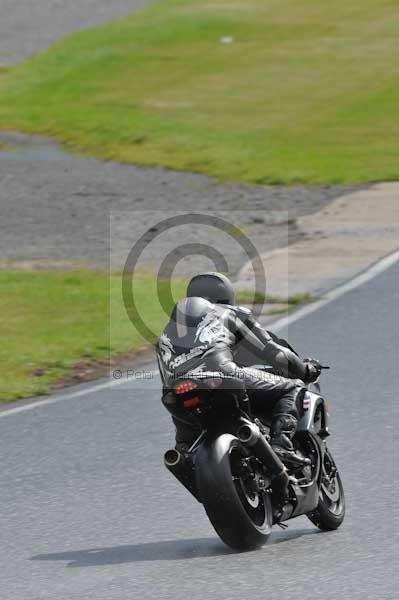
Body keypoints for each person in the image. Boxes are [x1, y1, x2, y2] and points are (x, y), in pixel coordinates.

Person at [156, 272, 321, 467]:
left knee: (185, 452)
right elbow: (275, 354)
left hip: (176, 394)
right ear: (226, 295)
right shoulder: (229, 313)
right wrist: (306, 370)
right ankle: (282, 445)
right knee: (293, 387)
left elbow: (166, 377)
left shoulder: (166, 332)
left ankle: (184, 460)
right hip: (224, 379)